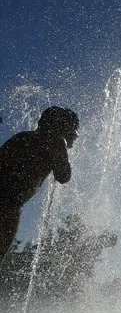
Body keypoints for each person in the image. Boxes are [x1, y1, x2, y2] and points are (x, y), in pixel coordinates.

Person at [0, 106, 78, 260]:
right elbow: (63, 176)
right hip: (8, 205)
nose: (74, 139)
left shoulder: (22, 136)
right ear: (63, 127)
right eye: (72, 132)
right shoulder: (56, 140)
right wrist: (61, 147)